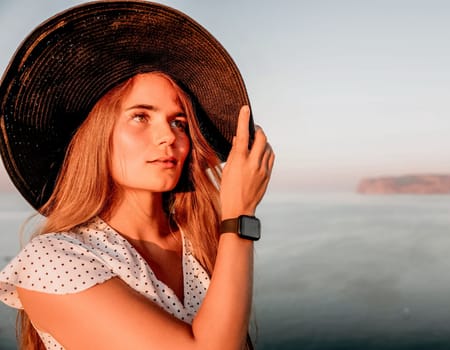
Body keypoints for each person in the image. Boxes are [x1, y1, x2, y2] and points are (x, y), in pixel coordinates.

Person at [0, 2, 274, 350]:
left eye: (179, 123)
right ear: (98, 135)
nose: (169, 137)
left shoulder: (202, 241)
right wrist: (239, 217)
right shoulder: (53, 260)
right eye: (141, 117)